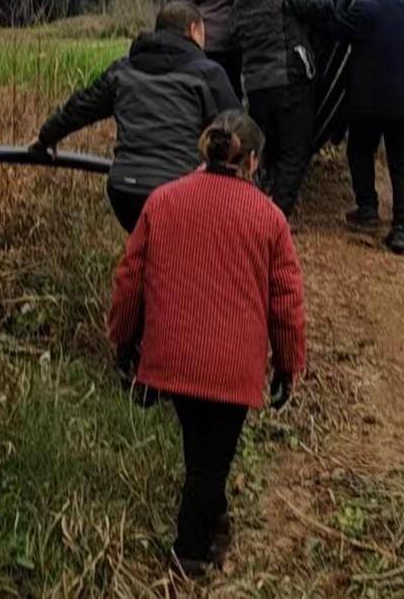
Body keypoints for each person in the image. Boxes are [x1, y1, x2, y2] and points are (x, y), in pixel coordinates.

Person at [107, 111, 306, 580]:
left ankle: (213, 526)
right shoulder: (270, 218)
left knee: (203, 451)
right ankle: (190, 554)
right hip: (233, 367)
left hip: (171, 359)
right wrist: (287, 366)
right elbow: (286, 303)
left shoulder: (163, 201)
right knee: (210, 460)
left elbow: (129, 280)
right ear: (253, 162)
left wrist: (124, 342)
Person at [31, 1, 238, 232]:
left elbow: (79, 107)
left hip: (125, 190)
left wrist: (45, 137)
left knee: (150, 253)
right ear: (193, 30)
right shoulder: (208, 73)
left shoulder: (123, 70)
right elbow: (239, 131)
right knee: (180, 255)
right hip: (179, 192)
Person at [334, 0, 404, 255]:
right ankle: (402, 228)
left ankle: (368, 209)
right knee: (402, 164)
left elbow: (336, 29)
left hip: (369, 102)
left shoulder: (365, 10)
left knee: (360, 151)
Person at [232, 0, 334, 217]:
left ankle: (257, 203)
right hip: (289, 81)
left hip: (256, 86)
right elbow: (323, 5)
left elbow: (234, 35)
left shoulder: (240, 2)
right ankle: (277, 215)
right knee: (294, 149)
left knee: (268, 146)